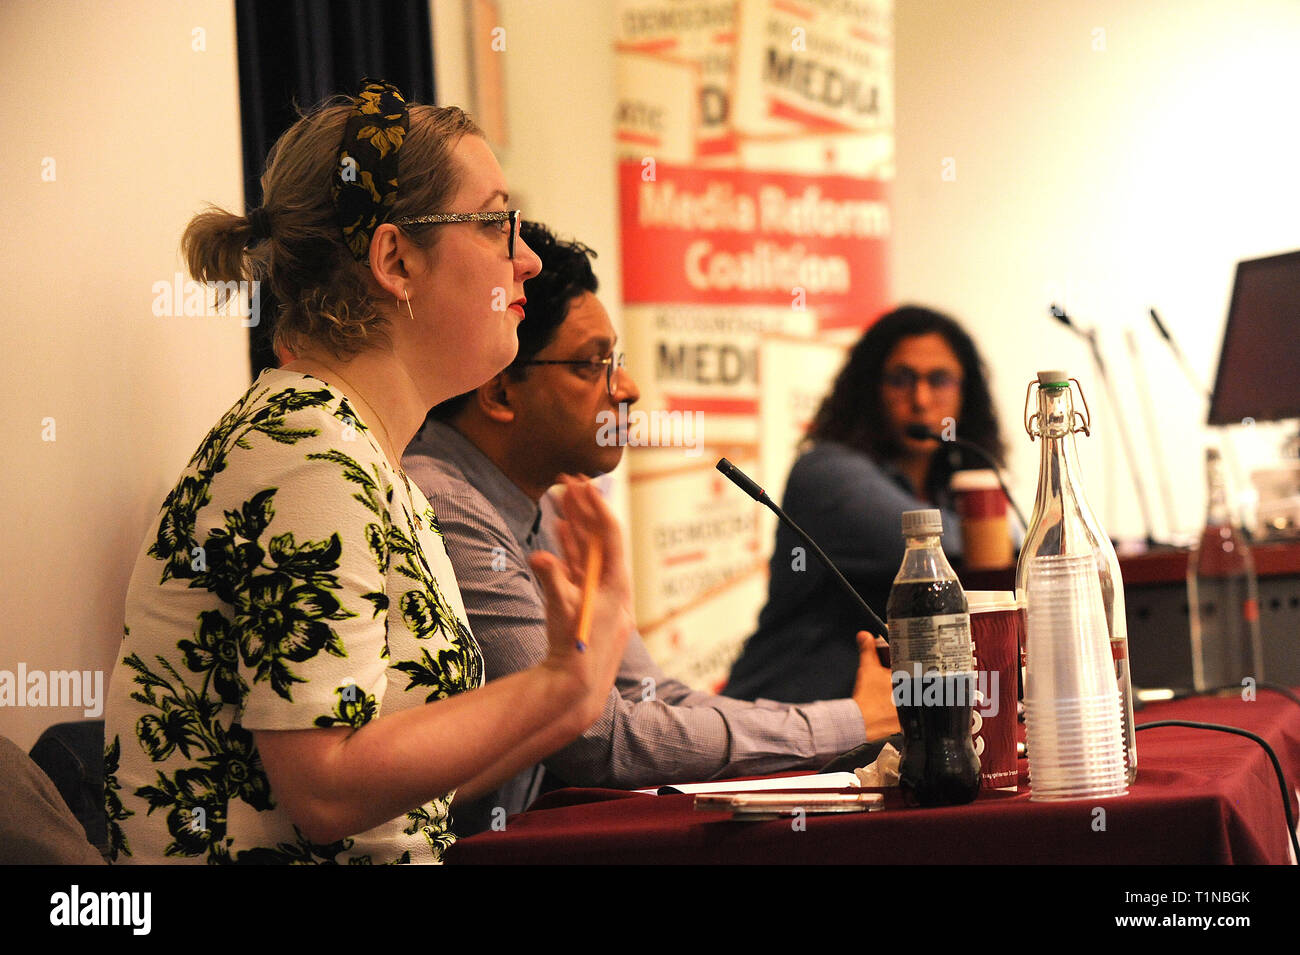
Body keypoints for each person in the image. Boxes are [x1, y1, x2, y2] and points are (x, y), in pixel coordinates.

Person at [103, 81, 633, 864]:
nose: (527, 259)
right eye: (497, 223)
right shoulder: (306, 452)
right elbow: (325, 789)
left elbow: (405, 787)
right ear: (395, 260)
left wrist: (572, 698)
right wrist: (558, 684)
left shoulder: (367, 461)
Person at [403, 221, 900, 834]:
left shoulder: (551, 508)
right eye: (593, 365)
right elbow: (598, 740)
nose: (629, 389)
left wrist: (844, 720)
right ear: (502, 392)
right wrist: (850, 721)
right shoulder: (444, 505)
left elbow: (650, 696)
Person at [724, 306, 1006, 704]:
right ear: (870, 387)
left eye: (939, 380)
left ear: (965, 393)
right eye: (901, 379)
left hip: (882, 720)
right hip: (781, 718)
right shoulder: (826, 474)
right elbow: (953, 550)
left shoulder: (949, 484)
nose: (921, 399)